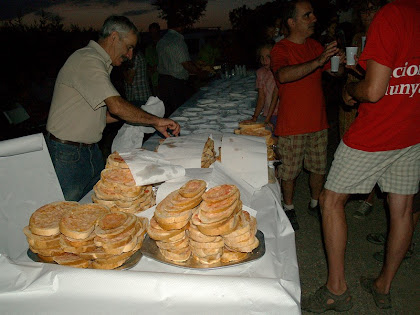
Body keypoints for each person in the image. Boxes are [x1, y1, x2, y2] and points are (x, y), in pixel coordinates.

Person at [302, 0, 419, 312]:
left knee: (330, 200)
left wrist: (350, 90)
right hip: (413, 130)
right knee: (403, 210)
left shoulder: (392, 14)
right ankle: (383, 286)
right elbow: (397, 73)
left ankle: (336, 290)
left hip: (378, 131)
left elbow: (374, 90)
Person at [45, 15, 180, 202]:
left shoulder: (98, 63)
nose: (130, 55)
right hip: (68, 155)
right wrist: (156, 121)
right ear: (114, 37)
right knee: (66, 215)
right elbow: (116, 107)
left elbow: (105, 116)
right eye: (129, 47)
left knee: (97, 207)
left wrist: (143, 113)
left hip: (89, 152)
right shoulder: (88, 60)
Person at [270, 0, 343, 230]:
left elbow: (335, 73)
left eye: (312, 14)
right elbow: (283, 75)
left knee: (319, 167)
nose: (314, 19)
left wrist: (338, 62)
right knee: (289, 172)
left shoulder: (315, 46)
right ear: (292, 22)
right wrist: (320, 60)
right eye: (307, 15)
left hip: (318, 122)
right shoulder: (281, 49)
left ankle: (314, 203)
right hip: (292, 125)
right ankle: (289, 207)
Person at [340, 0, 386, 219]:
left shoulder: (386, 36)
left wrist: (356, 72)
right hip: (353, 93)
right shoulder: (358, 38)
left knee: (372, 149)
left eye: (372, 8)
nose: (367, 13)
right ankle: (353, 190)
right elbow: (351, 69)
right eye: (363, 9)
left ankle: (368, 197)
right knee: (349, 141)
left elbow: (376, 82)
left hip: (370, 97)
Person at [157, 18, 209, 117]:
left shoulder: (162, 40)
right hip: (175, 83)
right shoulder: (178, 40)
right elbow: (187, 65)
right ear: (180, 27)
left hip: (163, 82)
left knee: (169, 114)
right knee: (180, 113)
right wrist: (201, 73)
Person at [241, 42, 279, 128]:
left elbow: (275, 97)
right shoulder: (260, 73)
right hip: (268, 114)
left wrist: (268, 119)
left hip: (280, 113)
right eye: (262, 57)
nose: (264, 61)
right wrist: (254, 117)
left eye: (268, 57)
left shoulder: (279, 73)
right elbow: (261, 97)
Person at [145, 22, 160, 96]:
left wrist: (156, 67)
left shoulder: (163, 46)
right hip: (153, 81)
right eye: (152, 32)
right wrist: (150, 68)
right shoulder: (148, 48)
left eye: (155, 32)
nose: (153, 34)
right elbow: (146, 62)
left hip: (164, 80)